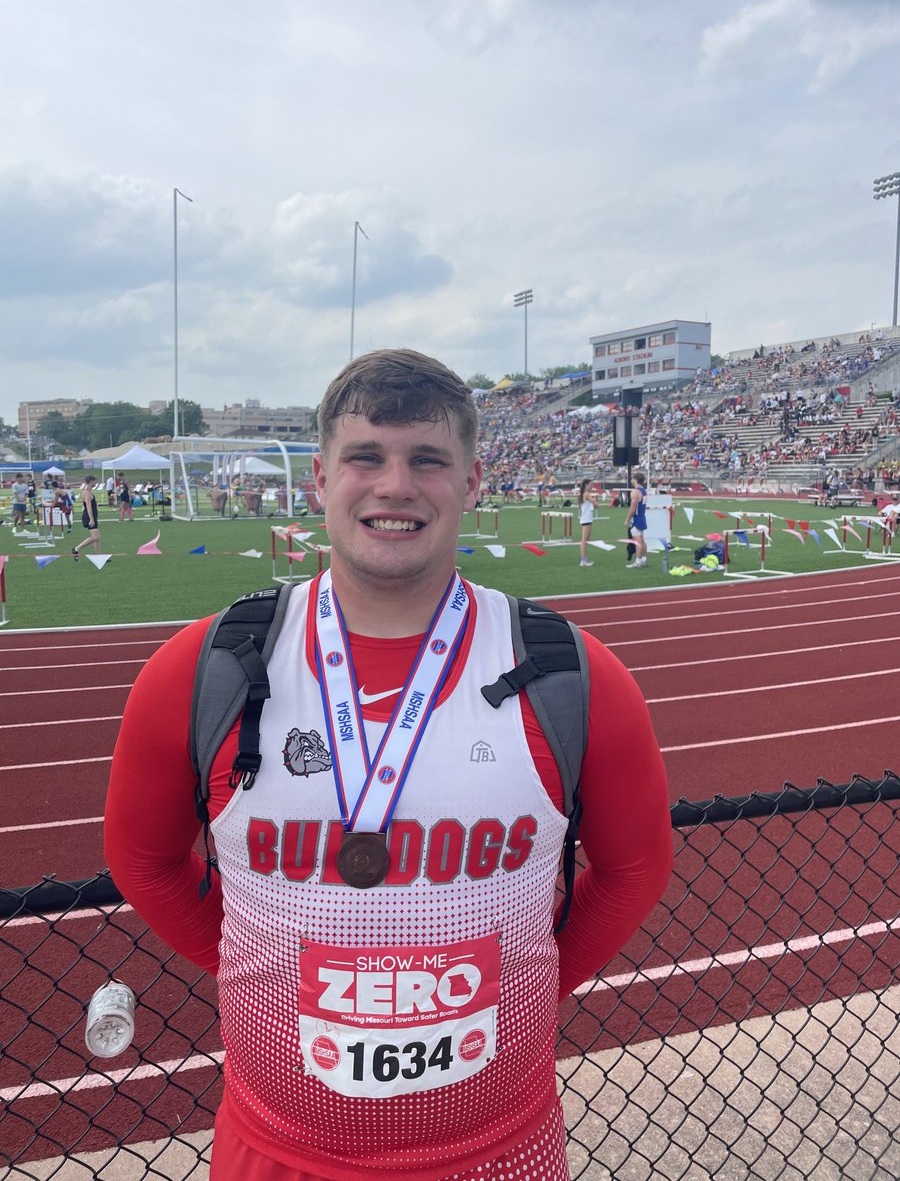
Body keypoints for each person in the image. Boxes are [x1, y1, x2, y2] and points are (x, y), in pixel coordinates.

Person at [105, 348, 672, 1181]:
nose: (395, 485)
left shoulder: (572, 675)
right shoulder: (203, 669)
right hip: (277, 1152)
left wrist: (528, 984)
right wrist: (255, 972)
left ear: (473, 483)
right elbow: (143, 860)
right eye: (365, 457)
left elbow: (635, 869)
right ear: (319, 484)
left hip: (500, 1153)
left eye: (427, 461)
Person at [71, 476, 100, 559]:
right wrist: (91, 519)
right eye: (95, 481)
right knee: (95, 537)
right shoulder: (86, 493)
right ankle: (76, 549)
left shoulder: (90, 492)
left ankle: (99, 556)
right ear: (91, 481)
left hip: (92, 515)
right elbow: (88, 507)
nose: (96, 483)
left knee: (97, 538)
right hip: (88, 516)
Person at [625, 470, 649, 568]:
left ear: (635, 480)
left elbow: (633, 508)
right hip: (642, 516)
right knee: (642, 540)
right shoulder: (644, 491)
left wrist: (627, 519)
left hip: (637, 518)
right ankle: (643, 559)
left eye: (632, 479)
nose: (631, 481)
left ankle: (638, 561)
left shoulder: (635, 492)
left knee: (638, 540)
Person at [577, 478, 594, 567]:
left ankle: (584, 558)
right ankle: (583, 560)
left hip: (586, 519)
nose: (592, 486)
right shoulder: (587, 494)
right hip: (586, 520)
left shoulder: (584, 494)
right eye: (591, 485)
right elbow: (596, 504)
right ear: (586, 485)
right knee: (584, 540)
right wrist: (594, 501)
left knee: (585, 540)